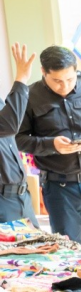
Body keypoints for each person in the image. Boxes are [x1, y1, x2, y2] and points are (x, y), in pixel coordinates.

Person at [17, 46, 81, 262]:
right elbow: (18, 139)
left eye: (70, 79)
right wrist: (51, 144)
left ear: (75, 70)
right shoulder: (30, 97)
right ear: (43, 72)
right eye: (57, 81)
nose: (65, 86)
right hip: (59, 189)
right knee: (71, 254)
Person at [0, 44, 36, 226]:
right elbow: (9, 124)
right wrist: (21, 78)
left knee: (41, 251)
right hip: (3, 203)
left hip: (22, 197)